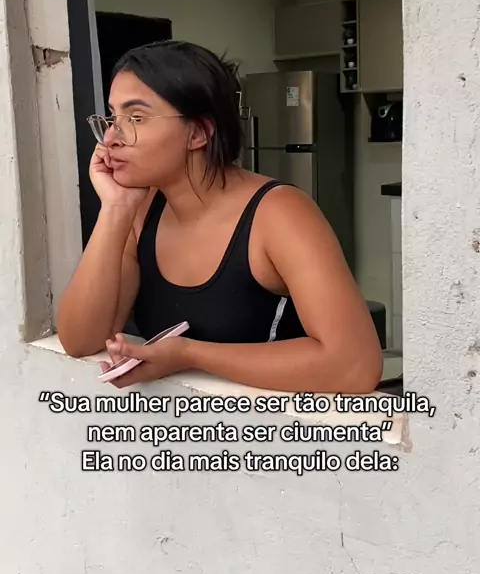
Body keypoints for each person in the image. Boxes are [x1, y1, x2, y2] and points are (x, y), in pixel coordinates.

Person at [57, 40, 383, 393]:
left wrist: (191, 354)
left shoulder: (279, 214)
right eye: (112, 118)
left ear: (198, 132)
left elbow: (354, 366)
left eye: (136, 118)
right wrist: (115, 208)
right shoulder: (141, 210)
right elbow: (80, 340)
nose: (110, 138)